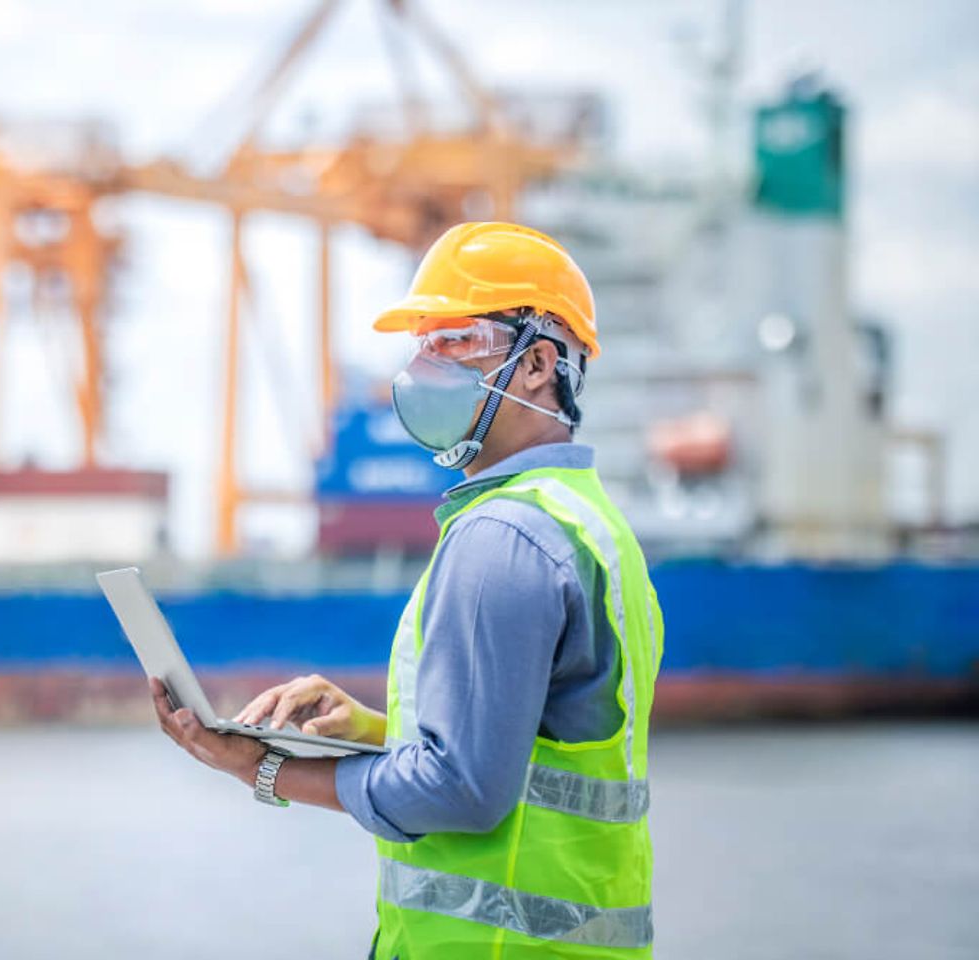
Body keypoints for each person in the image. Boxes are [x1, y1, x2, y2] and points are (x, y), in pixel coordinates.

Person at [151, 222, 664, 959]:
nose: (425, 363)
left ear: (537, 364)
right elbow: (530, 754)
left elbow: (461, 790)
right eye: (422, 342)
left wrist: (263, 769)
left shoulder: (502, 538)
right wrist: (369, 727)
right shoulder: (592, 527)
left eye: (453, 340)